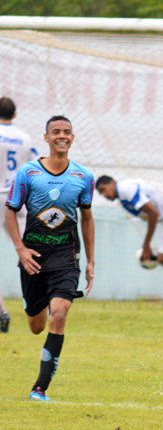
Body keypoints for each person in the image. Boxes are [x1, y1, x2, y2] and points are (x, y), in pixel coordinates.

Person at [4, 115, 95, 401]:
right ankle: (33, 304)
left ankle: (39, 388)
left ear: (72, 137)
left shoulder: (84, 176)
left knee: (59, 314)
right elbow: (10, 212)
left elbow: (87, 219)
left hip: (67, 258)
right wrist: (20, 248)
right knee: (36, 326)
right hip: (33, 256)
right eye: (56, 132)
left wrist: (90, 261)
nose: (62, 136)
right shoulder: (28, 173)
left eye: (67, 132)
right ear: (46, 138)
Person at [95, 175, 163, 312]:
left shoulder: (126, 189)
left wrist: (146, 245)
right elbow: (150, 214)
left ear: (113, 183)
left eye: (104, 189)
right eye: (100, 193)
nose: (104, 195)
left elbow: (153, 214)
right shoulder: (123, 199)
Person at [0, 97, 38, 333]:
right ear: (15, 114)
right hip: (16, 199)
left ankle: (1, 312)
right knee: (29, 252)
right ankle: (37, 304)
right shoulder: (25, 138)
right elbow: (35, 169)